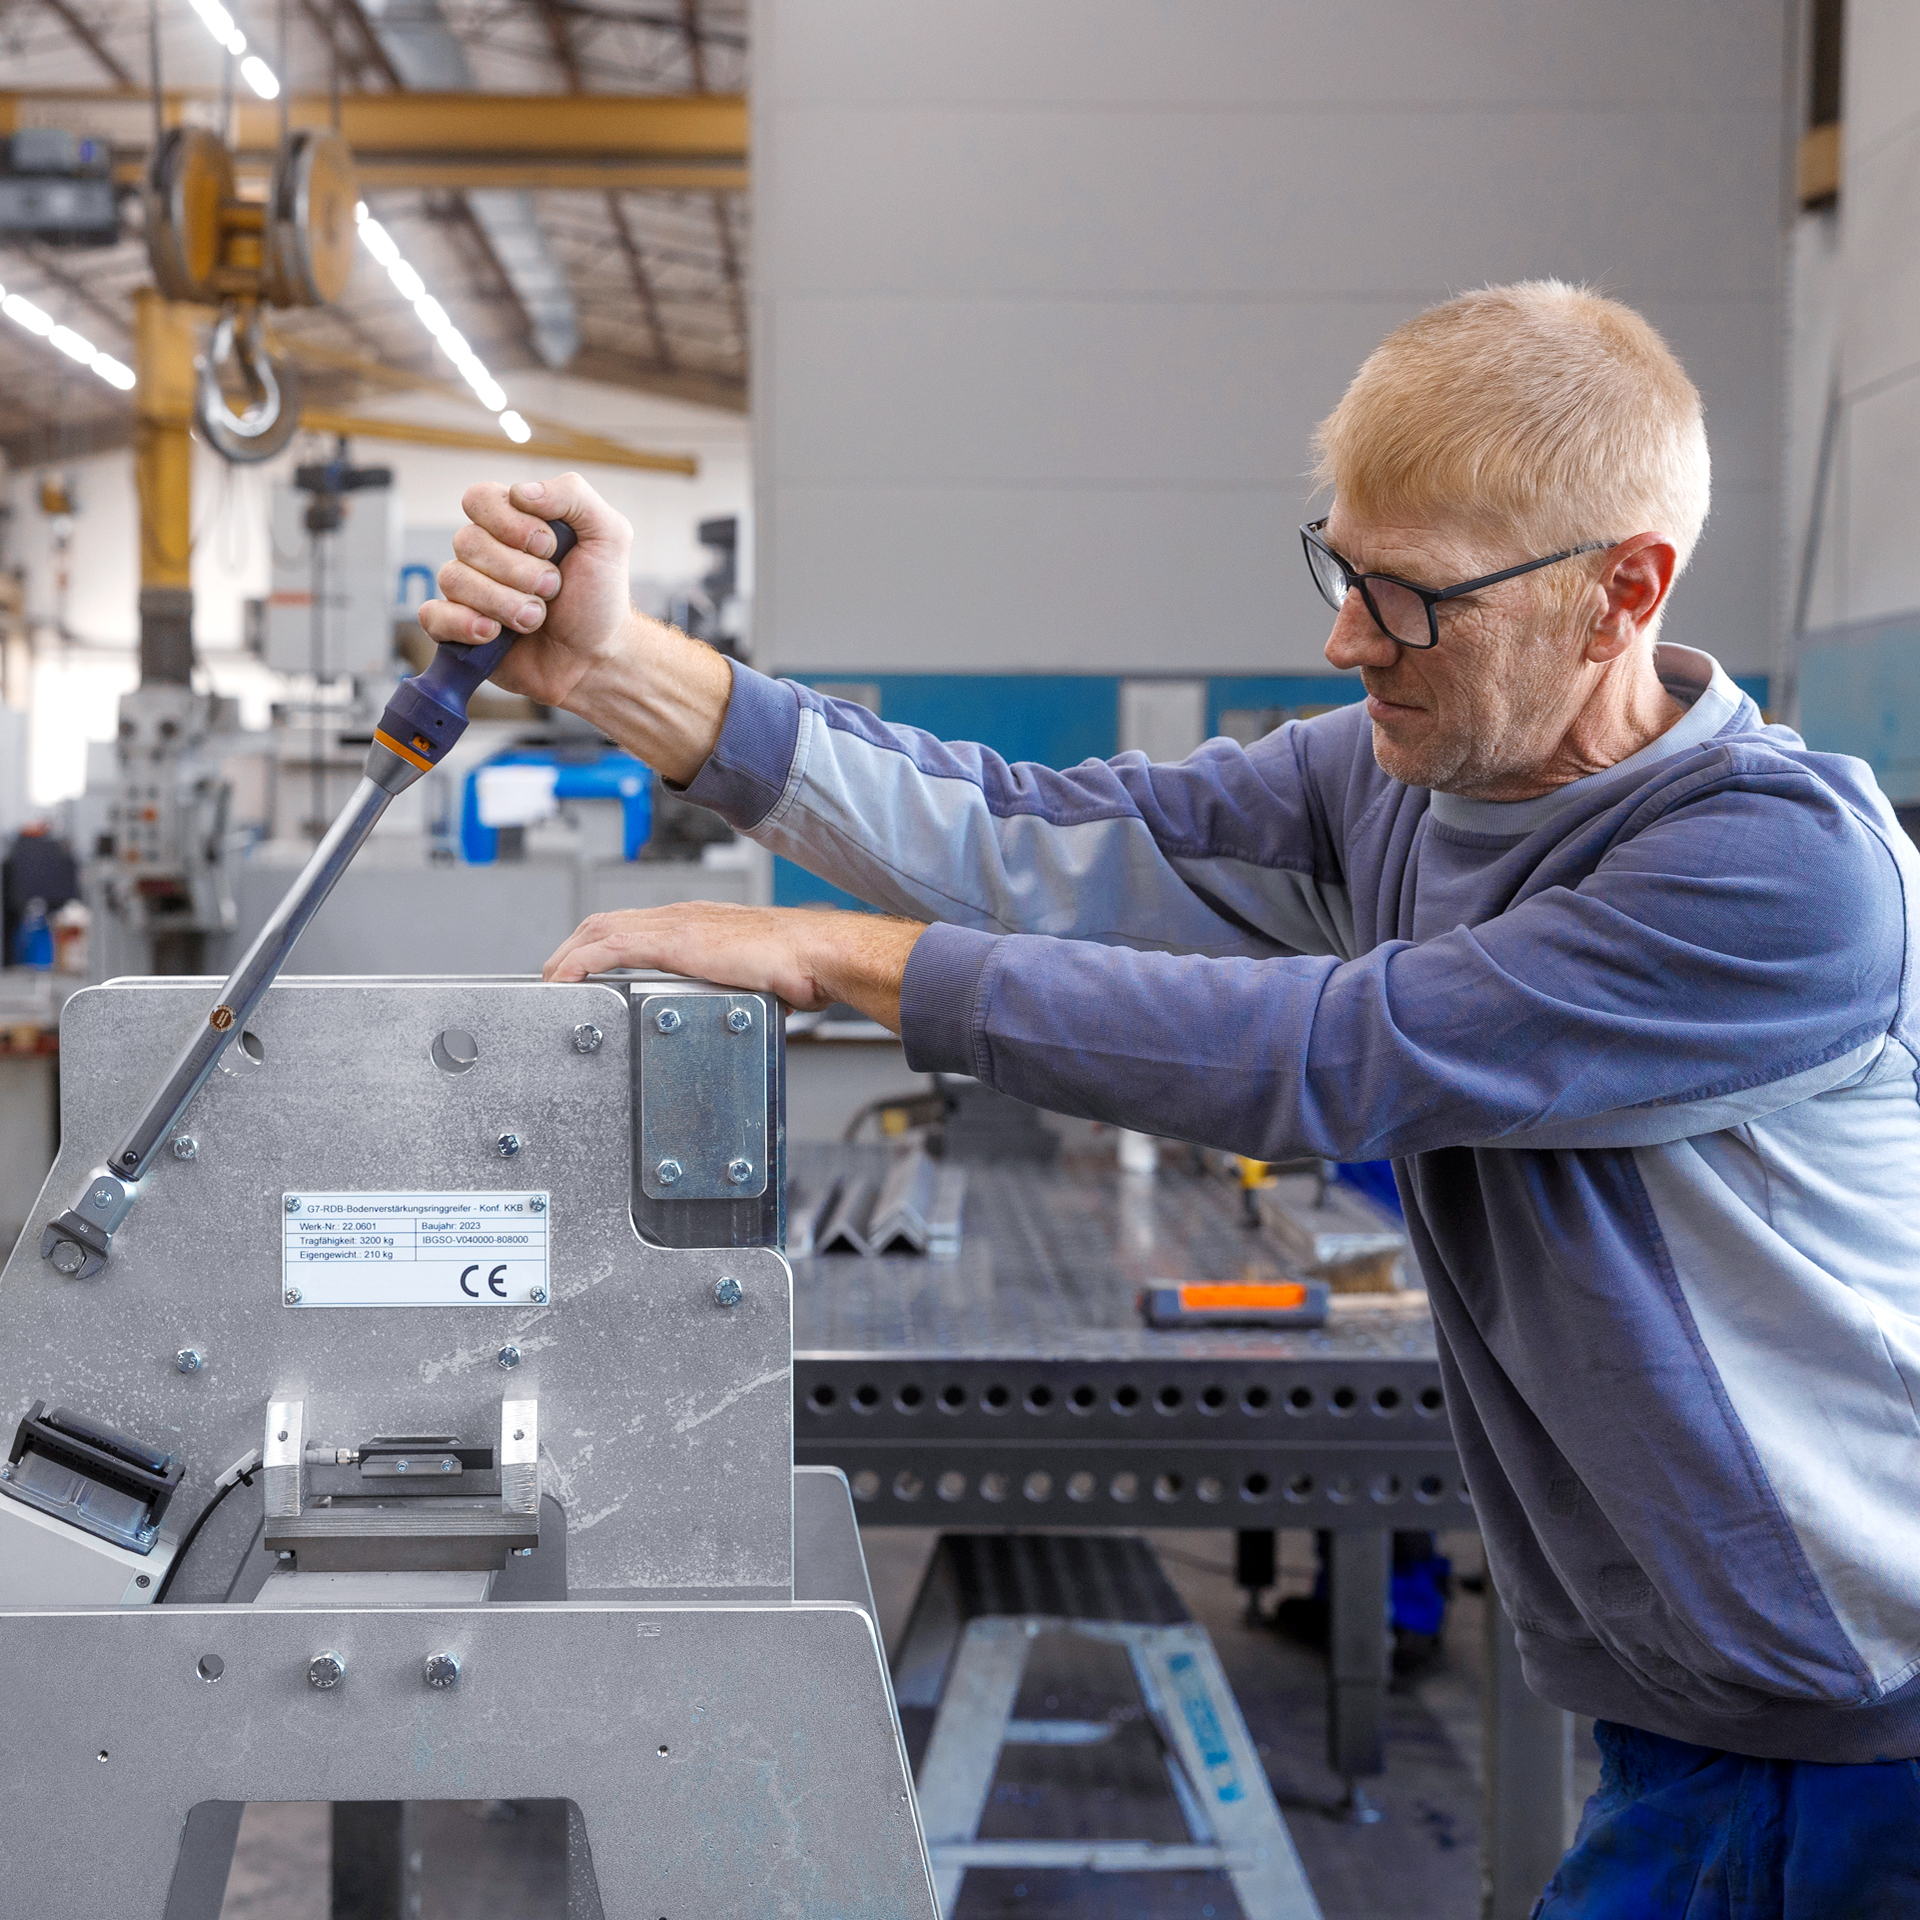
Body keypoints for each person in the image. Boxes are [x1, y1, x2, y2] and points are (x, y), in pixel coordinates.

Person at [421, 282, 1920, 1915]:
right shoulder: (1391, 776)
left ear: (1623, 592)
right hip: (1696, 1706)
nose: (1348, 641)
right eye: (1341, 570)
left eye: (1410, 599)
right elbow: (1028, 840)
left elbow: (1333, 1055)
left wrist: (829, 958)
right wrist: (619, 668)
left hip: (1867, 1720)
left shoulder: (1775, 870)